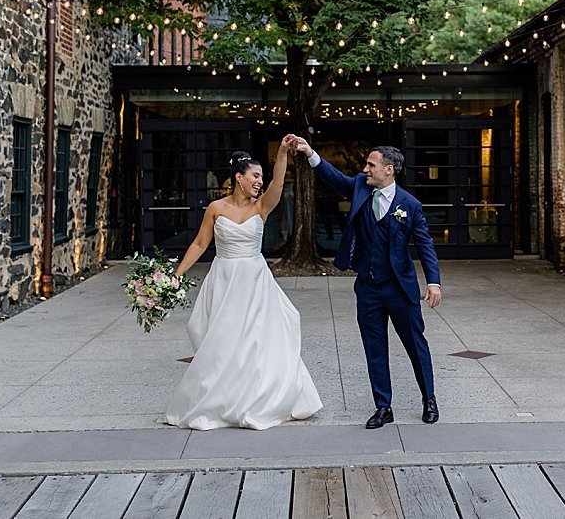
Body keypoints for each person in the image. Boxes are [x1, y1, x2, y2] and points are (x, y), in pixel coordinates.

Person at [165, 144, 323, 430]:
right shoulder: (215, 208)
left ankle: (255, 399)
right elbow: (201, 243)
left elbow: (277, 182)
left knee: (254, 341)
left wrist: (284, 154)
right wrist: (177, 275)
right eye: (255, 175)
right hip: (224, 279)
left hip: (254, 282)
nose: (260, 181)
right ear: (239, 177)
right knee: (221, 339)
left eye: (261, 176)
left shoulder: (261, 206)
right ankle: (221, 399)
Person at [289, 135, 442, 429]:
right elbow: (333, 177)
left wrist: (433, 282)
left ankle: (429, 399)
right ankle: (383, 406)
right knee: (374, 347)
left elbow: (425, 246)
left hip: (400, 288)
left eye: (371, 165)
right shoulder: (360, 187)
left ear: (389, 170)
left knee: (415, 345)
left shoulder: (410, 205)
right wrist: (310, 152)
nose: (365, 169)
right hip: (369, 287)